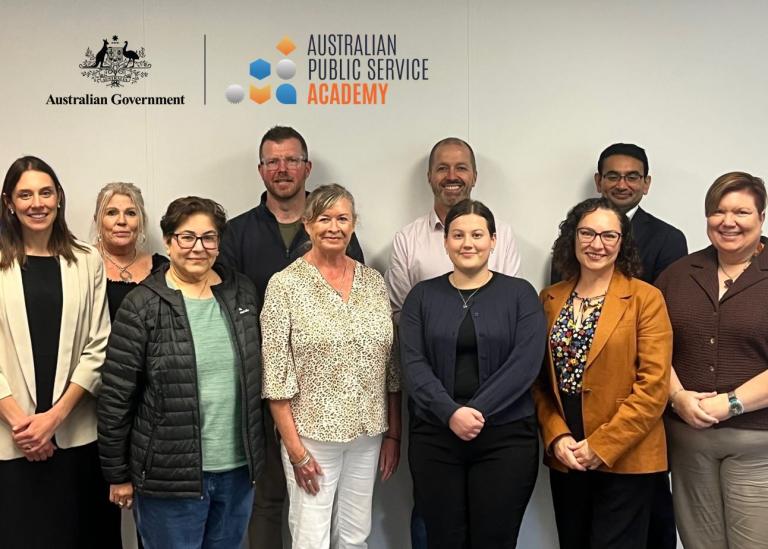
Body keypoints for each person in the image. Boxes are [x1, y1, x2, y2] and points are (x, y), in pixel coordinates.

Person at [219, 126, 364, 549]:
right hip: (257, 387)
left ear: (307, 167)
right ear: (261, 170)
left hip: (325, 397)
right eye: (273, 161)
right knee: (264, 497)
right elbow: (225, 306)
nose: (282, 169)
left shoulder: (335, 229)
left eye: (291, 160)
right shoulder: (236, 233)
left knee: (326, 505)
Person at [98, 196, 265, 549]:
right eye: (187, 237)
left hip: (236, 472)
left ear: (219, 243)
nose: (197, 248)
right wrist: (118, 475)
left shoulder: (241, 292)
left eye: (208, 238)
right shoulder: (143, 304)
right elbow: (116, 397)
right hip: (168, 479)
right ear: (169, 241)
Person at [384, 137, 521, 548]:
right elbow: (400, 318)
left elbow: (507, 315)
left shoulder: (505, 237)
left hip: (497, 413)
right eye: (442, 168)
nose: (452, 176)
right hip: (432, 406)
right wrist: (446, 408)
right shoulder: (409, 239)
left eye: (461, 167)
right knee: (432, 513)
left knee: (489, 521)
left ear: (474, 176)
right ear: (430, 176)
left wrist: (476, 409)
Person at [549, 143, 686, 547]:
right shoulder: (550, 298)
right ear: (572, 238)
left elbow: (654, 385)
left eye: (609, 235)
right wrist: (557, 437)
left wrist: (602, 446)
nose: (597, 244)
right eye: (587, 233)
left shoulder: (646, 298)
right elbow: (540, 382)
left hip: (627, 453)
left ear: (621, 242)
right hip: (568, 451)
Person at [261, 184, 400, 549]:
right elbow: (275, 376)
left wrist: (393, 434)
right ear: (307, 225)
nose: (333, 227)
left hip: (368, 432)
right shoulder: (285, 285)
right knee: (311, 537)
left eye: (342, 218)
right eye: (324, 218)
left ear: (354, 224)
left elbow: (391, 367)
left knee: (356, 536)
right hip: (311, 435)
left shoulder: (373, 282)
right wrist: (295, 450)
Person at [398, 199, 544, 548]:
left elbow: (526, 363)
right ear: (445, 241)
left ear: (493, 240)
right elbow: (412, 362)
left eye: (478, 234)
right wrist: (450, 413)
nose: (468, 243)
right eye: (458, 235)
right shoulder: (421, 296)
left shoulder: (520, 294)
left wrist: (475, 413)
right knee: (444, 539)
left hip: (506, 439)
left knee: (495, 539)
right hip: (435, 437)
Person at [0, 155, 118, 548]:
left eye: (46, 192)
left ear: (59, 198)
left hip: (75, 435)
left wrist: (53, 419)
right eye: (25, 194)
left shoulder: (87, 260)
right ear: (9, 203)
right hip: (9, 439)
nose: (38, 203)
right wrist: (24, 426)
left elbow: (99, 345)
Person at [655, 172, 768, 549]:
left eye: (742, 212)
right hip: (689, 441)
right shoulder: (678, 274)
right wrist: (677, 397)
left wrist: (730, 403)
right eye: (718, 211)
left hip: (758, 444)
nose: (728, 221)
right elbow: (652, 348)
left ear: (761, 217)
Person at [93, 182, 168, 321]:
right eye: (111, 213)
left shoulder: (162, 268)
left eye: (130, 213)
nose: (122, 221)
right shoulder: (81, 264)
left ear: (141, 221)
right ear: (97, 220)